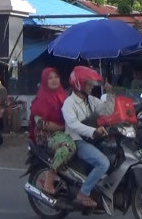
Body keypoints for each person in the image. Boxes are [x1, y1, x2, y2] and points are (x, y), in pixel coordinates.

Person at [62, 66, 115, 208]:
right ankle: (83, 193)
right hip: (77, 141)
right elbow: (73, 125)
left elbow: (107, 111)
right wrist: (93, 131)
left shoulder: (90, 100)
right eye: (89, 83)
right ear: (79, 83)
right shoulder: (69, 103)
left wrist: (110, 93)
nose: (92, 86)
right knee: (103, 163)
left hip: (92, 139)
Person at [29, 68, 76, 195]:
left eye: (56, 77)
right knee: (66, 147)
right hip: (47, 135)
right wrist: (62, 127)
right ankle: (50, 178)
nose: (54, 80)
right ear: (45, 81)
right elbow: (40, 123)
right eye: (50, 78)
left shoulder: (63, 95)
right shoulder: (41, 99)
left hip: (64, 131)